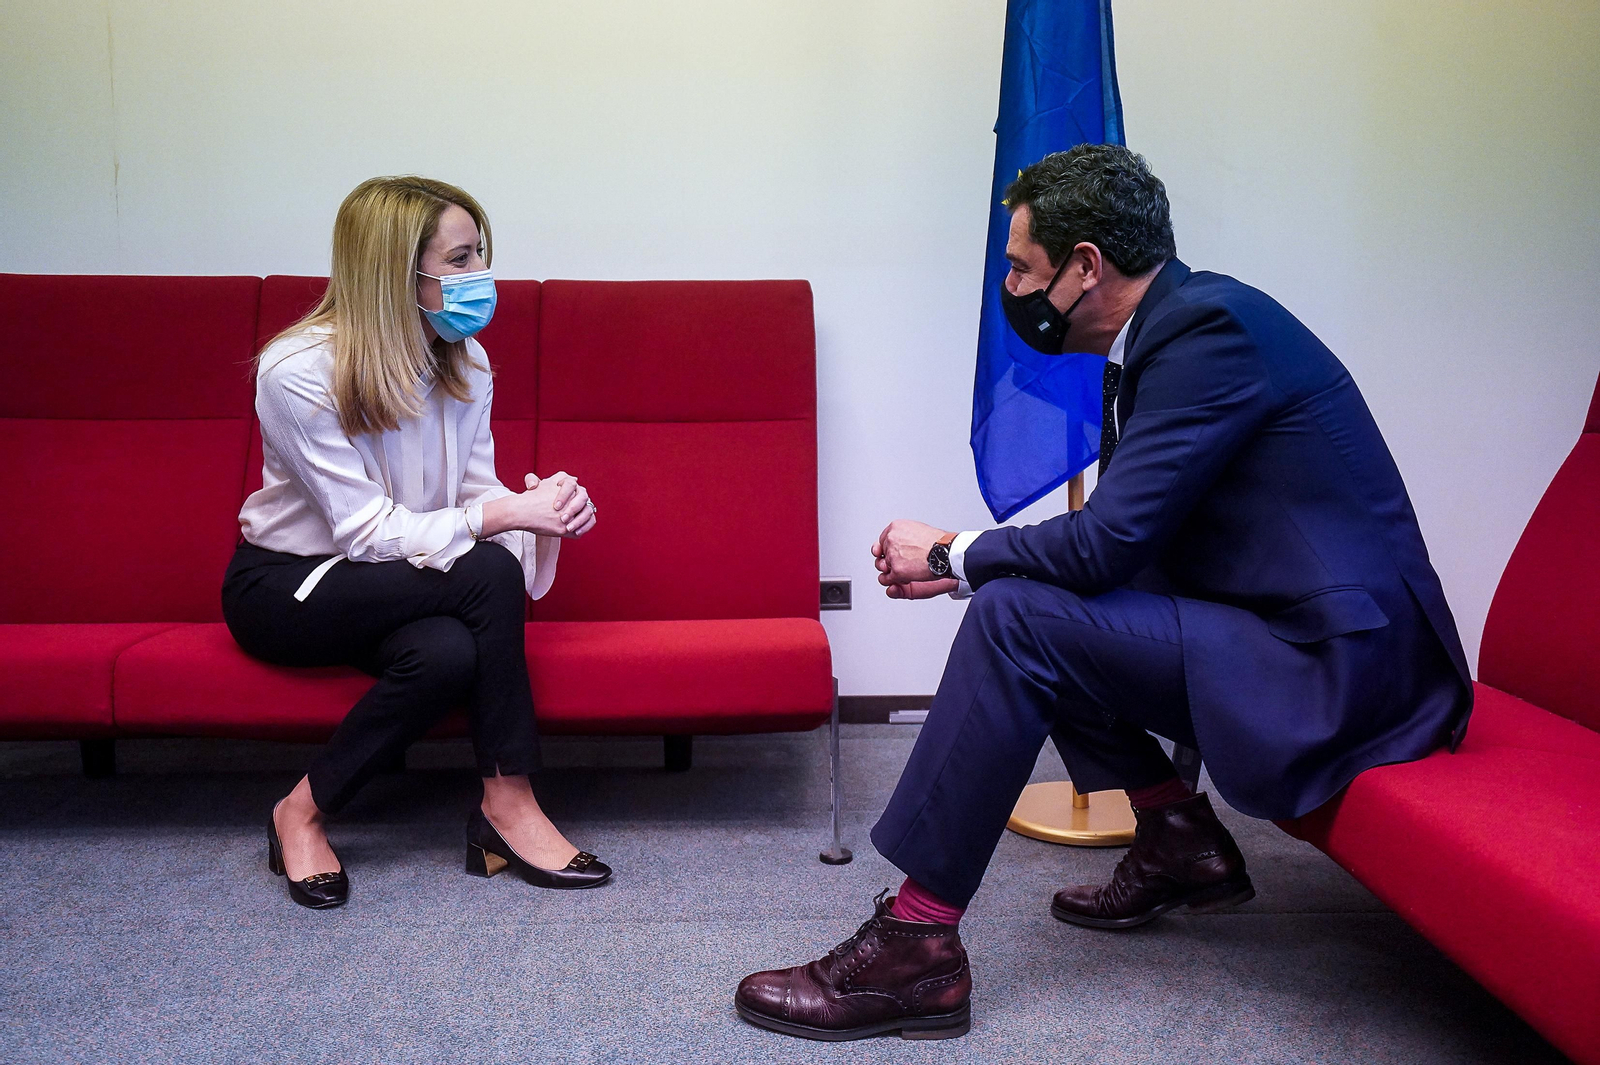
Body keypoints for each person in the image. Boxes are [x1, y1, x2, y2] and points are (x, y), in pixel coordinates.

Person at [735, 144, 1472, 1041]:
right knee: (1040, 609)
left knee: (1016, 618)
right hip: (1295, 636)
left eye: (1021, 267)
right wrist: (975, 561)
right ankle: (1178, 838)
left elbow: (1108, 543)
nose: (1008, 287)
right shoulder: (1171, 332)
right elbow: (1121, 552)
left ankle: (916, 950)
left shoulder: (1209, 333)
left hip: (1348, 670)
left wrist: (951, 553)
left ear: (1087, 266)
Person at [223, 176, 611, 910]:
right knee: (489, 564)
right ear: (396, 274)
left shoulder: (465, 360)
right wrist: (502, 520)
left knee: (449, 653)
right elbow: (365, 531)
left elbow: (472, 494)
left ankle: (299, 810)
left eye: (481, 255)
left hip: (402, 575)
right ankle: (507, 800)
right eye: (461, 260)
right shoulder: (298, 371)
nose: (480, 278)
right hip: (290, 585)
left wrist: (542, 506)